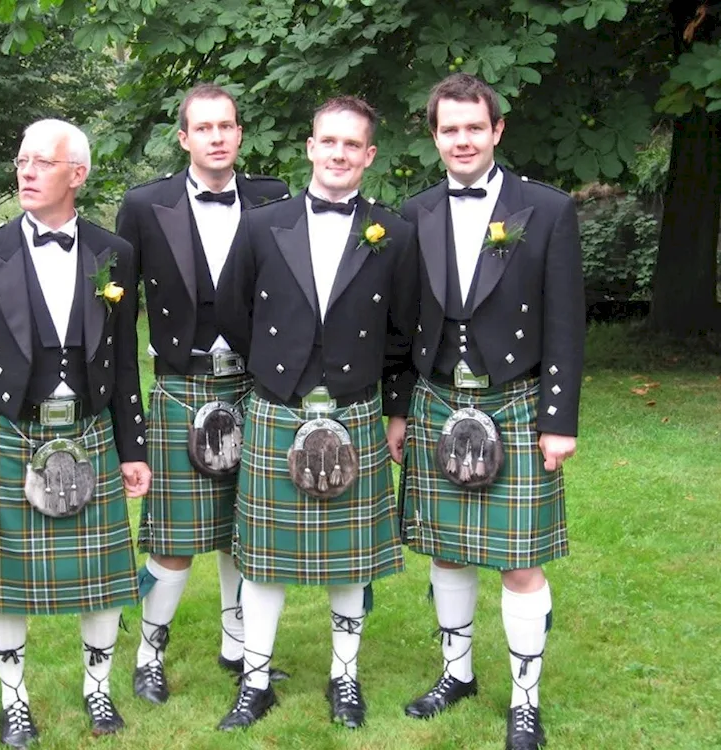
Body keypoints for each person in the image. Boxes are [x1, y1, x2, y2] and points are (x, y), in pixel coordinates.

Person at [214, 95, 418, 730]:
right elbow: (231, 312)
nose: (338, 154)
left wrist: (393, 407)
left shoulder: (394, 233)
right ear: (309, 147)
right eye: (328, 141)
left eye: (352, 145)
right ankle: (255, 680)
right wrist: (278, 367)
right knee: (263, 557)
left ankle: (345, 677)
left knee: (351, 559)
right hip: (279, 404)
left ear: (369, 156)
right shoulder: (261, 225)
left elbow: (406, 331)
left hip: (354, 407)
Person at [0, 118, 151, 745]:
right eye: (22, 160)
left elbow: (122, 359)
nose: (26, 172)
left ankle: (98, 691)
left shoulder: (114, 253)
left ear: (77, 175)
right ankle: (14, 699)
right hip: (12, 433)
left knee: (102, 576)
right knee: (9, 584)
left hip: (89, 432)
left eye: (42, 162)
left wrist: (132, 446)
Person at [397, 73, 584, 750]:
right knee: (446, 553)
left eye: (475, 127)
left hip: (516, 399)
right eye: (450, 129)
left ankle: (525, 701)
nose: (463, 139)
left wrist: (557, 419)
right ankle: (457, 674)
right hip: (438, 397)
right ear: (435, 136)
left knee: (519, 562)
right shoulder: (414, 212)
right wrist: (398, 410)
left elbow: (566, 321)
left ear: (497, 131)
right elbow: (402, 322)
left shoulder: (548, 209)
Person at [115, 83, 289, 705]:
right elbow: (117, 318)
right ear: (184, 138)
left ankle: (238, 646)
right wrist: (125, 412)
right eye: (204, 128)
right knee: (174, 537)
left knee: (246, 527)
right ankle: (148, 654)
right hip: (182, 384)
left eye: (227, 126)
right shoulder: (144, 205)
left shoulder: (273, 198)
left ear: (240, 134)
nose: (217, 137)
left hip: (256, 384)